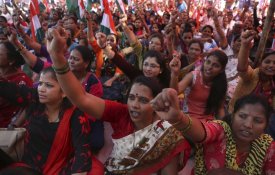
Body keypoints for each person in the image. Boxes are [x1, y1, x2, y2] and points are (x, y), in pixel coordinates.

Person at [46, 28, 191, 174]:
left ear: (155, 104)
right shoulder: (122, 113)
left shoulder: (167, 136)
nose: (134, 104)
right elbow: (82, 99)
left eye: (142, 100)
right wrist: (57, 56)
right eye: (132, 97)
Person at [151, 90, 275, 174]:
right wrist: (178, 118)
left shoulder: (268, 146)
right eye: (242, 116)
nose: (248, 125)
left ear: (266, 124)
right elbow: (203, 131)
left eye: (258, 120)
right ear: (233, 116)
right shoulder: (221, 130)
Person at [0, 67, 94, 175]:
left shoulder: (75, 115)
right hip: (26, 166)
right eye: (40, 83)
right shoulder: (35, 99)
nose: (41, 89)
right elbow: (9, 89)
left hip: (57, 170)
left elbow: (82, 150)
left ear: (64, 92)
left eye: (48, 85)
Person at [170, 49, 228, 121]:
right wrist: (174, 74)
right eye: (208, 62)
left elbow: (220, 108)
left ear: (221, 70)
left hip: (208, 122)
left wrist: (223, 126)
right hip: (188, 119)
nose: (209, 67)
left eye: (215, 65)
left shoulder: (221, 84)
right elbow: (175, 91)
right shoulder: (193, 76)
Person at [229, 30, 275, 112]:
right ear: (260, 64)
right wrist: (245, 45)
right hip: (238, 116)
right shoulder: (252, 75)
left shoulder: (272, 84)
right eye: (267, 62)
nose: (271, 65)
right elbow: (242, 68)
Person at [0, 41, 33, 127]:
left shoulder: (22, 81)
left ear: (11, 60)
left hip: (6, 133)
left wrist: (14, 126)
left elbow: (29, 106)